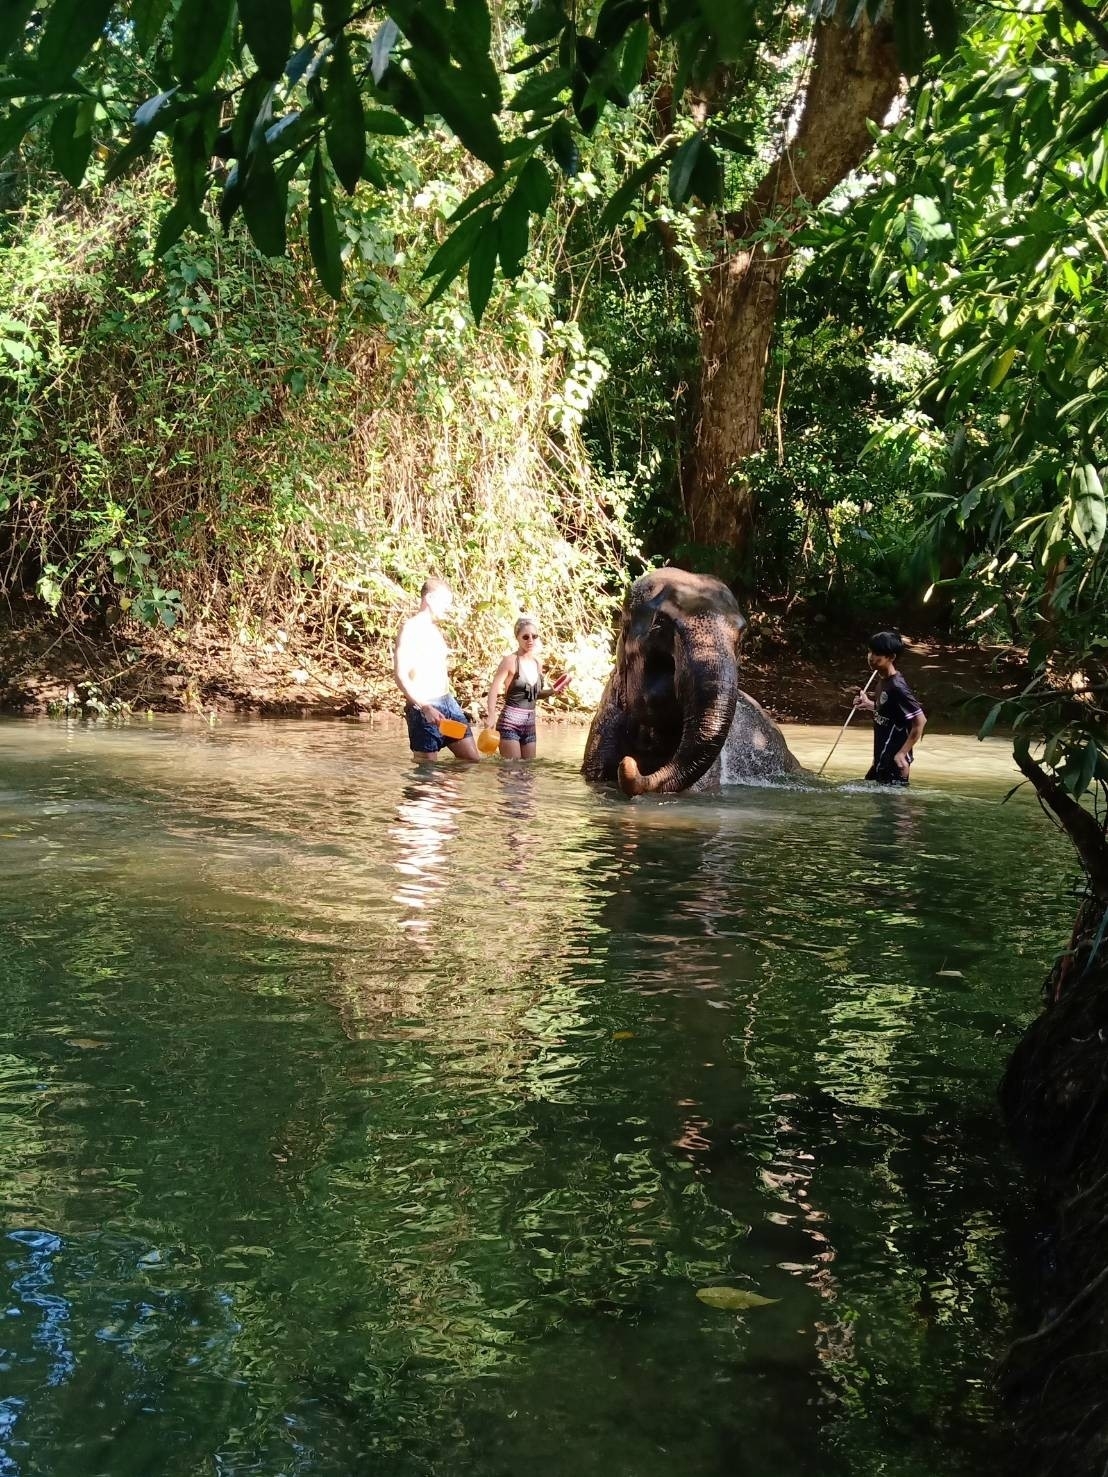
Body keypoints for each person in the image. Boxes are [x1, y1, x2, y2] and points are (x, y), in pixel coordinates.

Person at [393, 577, 479, 761]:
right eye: (445, 603)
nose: (448, 608)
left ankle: (446, 787)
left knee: (471, 761)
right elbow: (400, 675)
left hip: (448, 703)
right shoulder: (410, 629)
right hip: (423, 706)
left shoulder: (435, 630)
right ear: (430, 598)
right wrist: (424, 707)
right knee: (427, 772)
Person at [852, 630, 926, 785]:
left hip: (894, 762)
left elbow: (920, 721)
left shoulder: (897, 687)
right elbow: (890, 713)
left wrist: (902, 753)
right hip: (881, 758)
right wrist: (869, 705)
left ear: (891, 657)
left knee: (897, 808)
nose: (871, 657)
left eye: (877, 653)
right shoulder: (883, 680)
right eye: (870, 652)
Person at [483, 614, 558, 759]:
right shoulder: (510, 661)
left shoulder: (537, 663)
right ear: (517, 637)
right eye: (525, 637)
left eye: (534, 636)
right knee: (513, 772)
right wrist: (491, 714)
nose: (530, 640)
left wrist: (552, 692)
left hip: (529, 725)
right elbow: (494, 689)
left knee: (528, 772)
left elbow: (533, 694)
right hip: (510, 723)